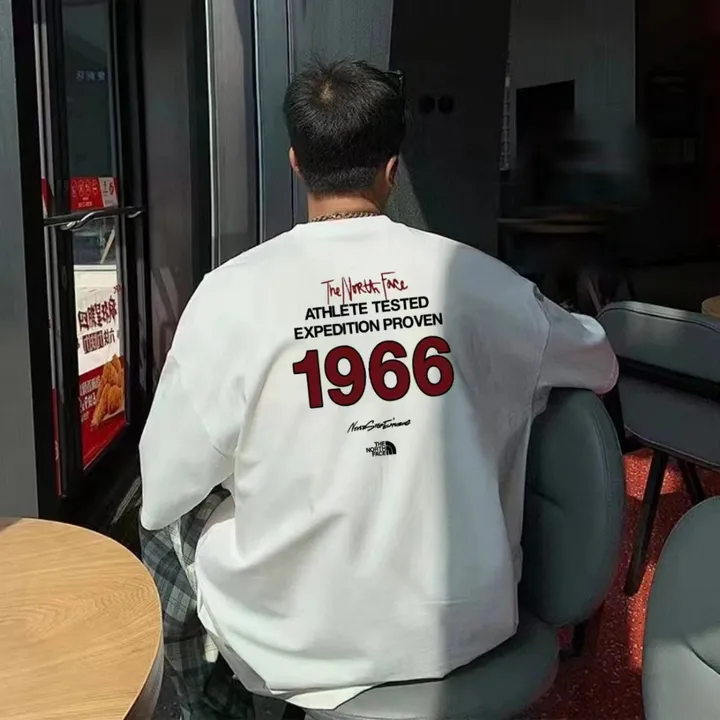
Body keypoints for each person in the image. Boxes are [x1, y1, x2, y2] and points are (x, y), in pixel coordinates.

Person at [139, 59, 618, 719]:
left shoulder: (229, 296)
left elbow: (166, 484)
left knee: (160, 528)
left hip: (294, 647)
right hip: (467, 626)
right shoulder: (480, 282)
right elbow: (598, 363)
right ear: (393, 169)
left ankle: (214, 709)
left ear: (295, 163)